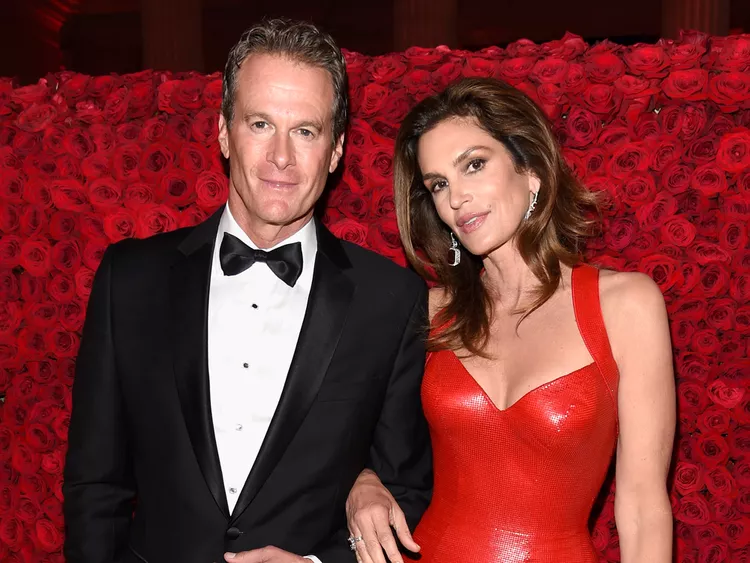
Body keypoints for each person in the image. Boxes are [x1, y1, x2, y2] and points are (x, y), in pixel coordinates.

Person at [63, 18, 432, 563]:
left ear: (336, 150)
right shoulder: (130, 279)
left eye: (306, 130)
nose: (281, 156)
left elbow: (404, 489)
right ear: (223, 132)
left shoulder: (391, 300)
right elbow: (95, 485)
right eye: (261, 124)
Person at [344, 77, 675, 563]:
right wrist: (362, 481)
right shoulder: (429, 312)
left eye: (474, 165)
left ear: (531, 170)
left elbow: (644, 508)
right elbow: (344, 436)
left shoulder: (626, 306)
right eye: (439, 184)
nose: (456, 198)